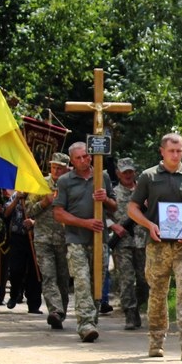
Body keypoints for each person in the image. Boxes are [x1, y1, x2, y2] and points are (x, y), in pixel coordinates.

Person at [127, 133, 182, 361]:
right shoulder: (148, 177)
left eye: (179, 150)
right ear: (162, 151)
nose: (176, 154)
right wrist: (149, 225)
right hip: (158, 245)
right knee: (158, 293)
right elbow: (132, 208)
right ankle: (156, 341)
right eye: (171, 150)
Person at [53, 141, 115, 343]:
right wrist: (84, 223)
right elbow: (59, 213)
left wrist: (105, 199)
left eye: (86, 156)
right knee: (81, 281)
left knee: (96, 281)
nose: (83, 160)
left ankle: (92, 320)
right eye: (78, 158)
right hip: (76, 239)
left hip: (100, 240)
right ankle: (85, 324)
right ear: (71, 160)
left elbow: (114, 207)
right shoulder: (65, 181)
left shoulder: (102, 176)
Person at [27, 152, 71, 329]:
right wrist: (44, 203)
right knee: (48, 275)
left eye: (60, 167)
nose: (56, 170)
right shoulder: (40, 185)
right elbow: (29, 210)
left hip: (65, 239)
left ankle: (61, 313)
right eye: (53, 167)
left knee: (63, 279)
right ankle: (55, 310)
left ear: (67, 168)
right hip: (43, 239)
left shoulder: (71, 184)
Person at [110, 158, 148, 330]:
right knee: (126, 279)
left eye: (130, 172)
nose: (127, 175)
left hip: (143, 241)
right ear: (118, 173)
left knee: (144, 280)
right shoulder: (112, 193)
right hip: (123, 242)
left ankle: (138, 305)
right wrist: (113, 225)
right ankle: (130, 314)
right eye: (124, 172)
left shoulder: (144, 191)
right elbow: (101, 213)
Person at [3, 189, 42, 313]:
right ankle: (14, 294)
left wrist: (34, 222)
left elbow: (48, 216)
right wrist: (16, 199)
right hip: (17, 237)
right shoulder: (16, 195)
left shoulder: (41, 195)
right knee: (15, 269)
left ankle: (34, 304)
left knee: (34, 272)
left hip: (35, 237)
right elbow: (6, 213)